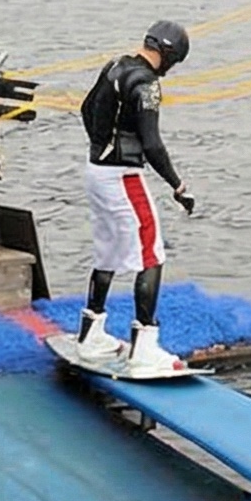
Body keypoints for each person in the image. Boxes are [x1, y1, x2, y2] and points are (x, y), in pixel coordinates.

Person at [74, 21, 199, 372]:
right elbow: (152, 144)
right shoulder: (147, 85)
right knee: (152, 253)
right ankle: (145, 345)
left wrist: (101, 146)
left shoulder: (114, 65)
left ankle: (91, 335)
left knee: (108, 251)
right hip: (123, 175)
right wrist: (178, 186)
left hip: (96, 171)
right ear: (171, 56)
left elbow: (86, 109)